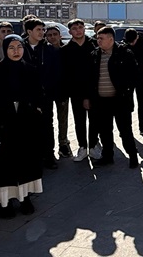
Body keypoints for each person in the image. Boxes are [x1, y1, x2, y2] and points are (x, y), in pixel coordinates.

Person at [0, 35, 45, 218]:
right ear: (5, 49)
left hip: (25, 128)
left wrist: (36, 111)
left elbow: (40, 96)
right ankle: (5, 203)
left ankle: (25, 198)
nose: (16, 51)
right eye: (11, 48)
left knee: (26, 165)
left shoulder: (30, 70)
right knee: (3, 168)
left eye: (19, 47)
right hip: (1, 128)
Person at [84, 27, 140, 168]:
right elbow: (89, 79)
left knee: (125, 130)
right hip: (101, 101)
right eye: (97, 38)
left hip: (120, 100)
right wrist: (87, 98)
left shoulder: (124, 54)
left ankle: (133, 156)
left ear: (111, 39)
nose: (98, 41)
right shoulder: (94, 55)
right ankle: (107, 156)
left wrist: (126, 91)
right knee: (105, 131)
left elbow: (134, 75)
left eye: (101, 38)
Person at [22, 19, 62, 167]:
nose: (42, 32)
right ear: (29, 31)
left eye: (42, 29)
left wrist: (51, 90)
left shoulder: (49, 49)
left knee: (47, 125)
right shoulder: (21, 47)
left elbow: (55, 72)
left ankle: (49, 156)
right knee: (28, 126)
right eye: (38, 29)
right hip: (26, 96)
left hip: (45, 95)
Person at [61, 19, 101, 162]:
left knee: (94, 119)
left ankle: (93, 146)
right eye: (74, 28)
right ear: (70, 31)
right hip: (76, 91)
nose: (78, 30)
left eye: (80, 27)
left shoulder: (95, 45)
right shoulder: (66, 50)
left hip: (94, 89)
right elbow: (66, 74)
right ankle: (82, 147)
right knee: (79, 120)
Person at [43, 25, 72, 158]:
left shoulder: (66, 50)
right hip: (48, 91)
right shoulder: (43, 51)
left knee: (63, 119)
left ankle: (63, 143)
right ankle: (49, 147)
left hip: (63, 91)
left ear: (60, 36)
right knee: (48, 121)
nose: (52, 37)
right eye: (49, 35)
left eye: (55, 34)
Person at [122, 28, 143, 134]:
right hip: (128, 79)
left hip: (141, 77)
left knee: (142, 102)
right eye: (129, 42)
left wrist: (135, 63)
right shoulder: (124, 45)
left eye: (133, 41)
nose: (131, 44)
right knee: (128, 103)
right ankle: (127, 126)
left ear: (137, 37)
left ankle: (142, 126)